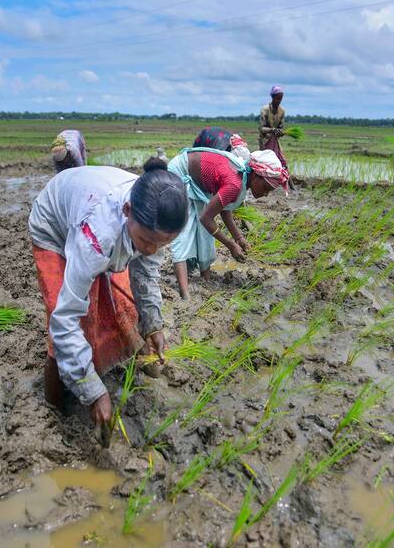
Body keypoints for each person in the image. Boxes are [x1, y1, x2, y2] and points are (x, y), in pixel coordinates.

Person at [29, 159, 188, 427]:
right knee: (74, 323)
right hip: (54, 226)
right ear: (127, 210)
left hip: (95, 219)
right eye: (147, 242)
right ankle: (53, 412)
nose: (152, 250)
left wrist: (153, 326)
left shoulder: (152, 221)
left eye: (163, 243)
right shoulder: (99, 235)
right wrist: (93, 393)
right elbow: (64, 319)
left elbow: (146, 273)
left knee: (122, 308)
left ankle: (103, 363)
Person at [167, 145, 289, 299]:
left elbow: (224, 208)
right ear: (256, 176)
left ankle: (205, 281)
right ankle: (185, 296)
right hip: (180, 173)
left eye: (269, 191)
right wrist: (231, 245)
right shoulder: (234, 183)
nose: (265, 194)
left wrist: (239, 238)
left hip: (200, 181)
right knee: (184, 234)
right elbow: (206, 218)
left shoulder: (241, 178)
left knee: (205, 235)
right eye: (265, 187)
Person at [259, 86, 287, 169]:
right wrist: (272, 130)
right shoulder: (265, 110)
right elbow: (262, 129)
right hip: (265, 141)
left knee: (282, 163)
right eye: (277, 98)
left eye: (280, 99)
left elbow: (281, 128)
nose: (279, 101)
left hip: (275, 141)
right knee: (265, 163)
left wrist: (280, 132)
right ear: (273, 97)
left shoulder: (282, 111)